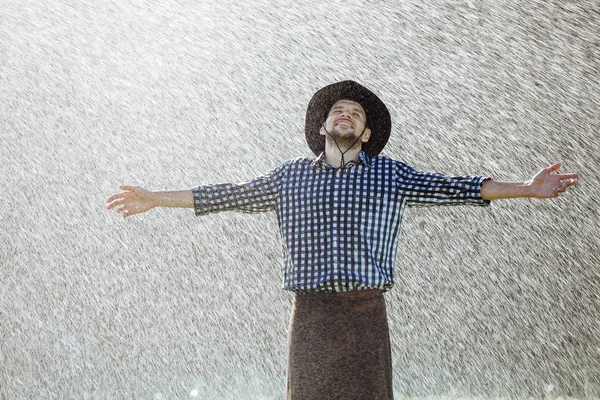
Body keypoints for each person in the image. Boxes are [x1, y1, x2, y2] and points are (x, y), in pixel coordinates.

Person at [105, 81, 579, 399]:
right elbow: (227, 195)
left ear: (368, 132)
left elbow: (457, 187)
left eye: (355, 113)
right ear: (322, 127)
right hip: (309, 313)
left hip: (366, 310)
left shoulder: (392, 175)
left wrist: (527, 188)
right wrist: (153, 198)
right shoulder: (290, 177)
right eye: (338, 111)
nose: (346, 115)